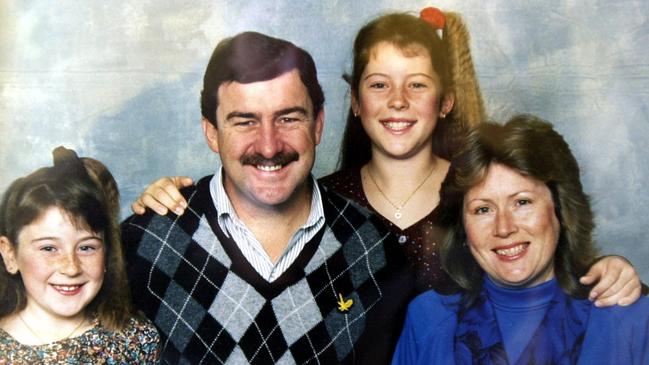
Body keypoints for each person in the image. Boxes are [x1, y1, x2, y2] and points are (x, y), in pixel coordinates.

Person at [132, 8, 642, 304]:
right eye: (380, 85)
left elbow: (540, 259)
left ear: (445, 101)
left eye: (416, 85)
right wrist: (175, 199)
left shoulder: (477, 193)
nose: (397, 102)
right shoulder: (319, 201)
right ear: (354, 102)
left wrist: (612, 271)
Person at [121, 31, 415, 364]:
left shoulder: (373, 251)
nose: (269, 146)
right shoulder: (147, 241)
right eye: (245, 121)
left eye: (288, 118)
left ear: (318, 124)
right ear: (211, 133)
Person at [392, 115, 649, 364]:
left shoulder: (631, 316)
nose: (504, 228)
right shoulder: (427, 318)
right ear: (462, 227)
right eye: (483, 209)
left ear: (560, 209)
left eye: (522, 202)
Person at [0, 147, 159, 363]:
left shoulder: (136, 339)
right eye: (48, 248)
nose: (71, 267)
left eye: (86, 248)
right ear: (10, 255)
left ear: (106, 252)